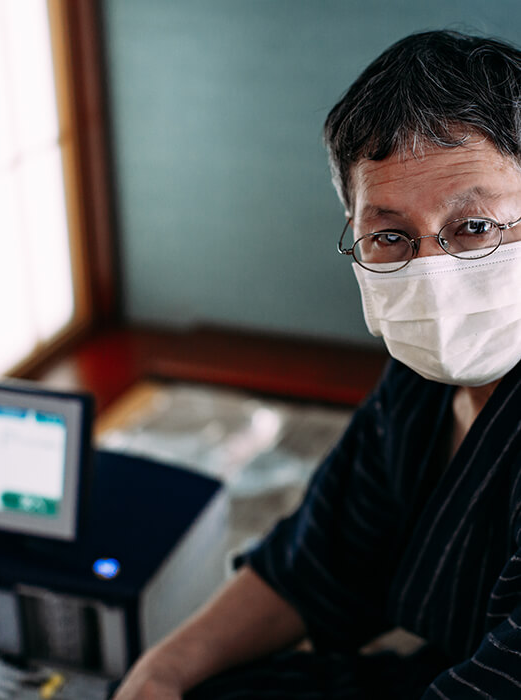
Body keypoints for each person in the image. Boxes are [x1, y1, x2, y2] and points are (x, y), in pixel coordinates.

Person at [113, 30, 521, 699]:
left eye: (474, 227)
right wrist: (161, 670)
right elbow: (317, 556)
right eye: (389, 237)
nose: (433, 274)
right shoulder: (417, 389)